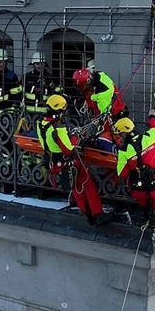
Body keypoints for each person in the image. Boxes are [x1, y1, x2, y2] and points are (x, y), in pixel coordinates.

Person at [38, 94, 107, 226]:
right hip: (70, 162)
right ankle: (97, 214)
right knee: (87, 185)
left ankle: (87, 213)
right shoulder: (58, 129)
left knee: (76, 187)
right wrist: (75, 136)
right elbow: (68, 149)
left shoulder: (41, 125)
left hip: (55, 161)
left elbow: (49, 143)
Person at [114, 115, 155, 226]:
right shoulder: (150, 137)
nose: (119, 138)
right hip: (154, 185)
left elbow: (122, 174)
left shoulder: (123, 152)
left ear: (124, 133)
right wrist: (153, 117)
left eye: (119, 135)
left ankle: (146, 215)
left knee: (141, 193)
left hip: (138, 190)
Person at [71, 65, 128, 149]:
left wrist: (93, 128)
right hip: (110, 107)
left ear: (86, 84)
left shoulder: (101, 95)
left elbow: (103, 117)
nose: (78, 89)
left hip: (114, 115)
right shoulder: (97, 75)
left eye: (79, 86)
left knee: (105, 137)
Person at [21, 51, 62, 118]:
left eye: (42, 63)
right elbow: (21, 91)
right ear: (33, 64)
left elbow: (58, 93)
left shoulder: (51, 78)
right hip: (28, 114)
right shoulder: (26, 77)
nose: (40, 66)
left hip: (46, 113)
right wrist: (34, 89)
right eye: (37, 64)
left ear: (45, 64)